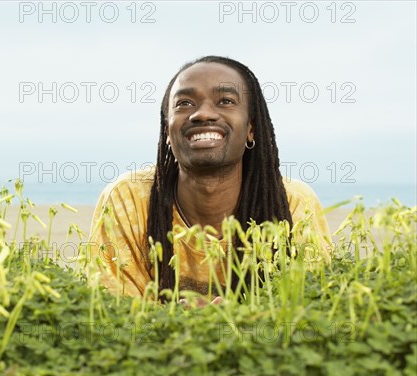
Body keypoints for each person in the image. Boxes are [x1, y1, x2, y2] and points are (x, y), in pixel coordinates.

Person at [87, 56, 332, 300]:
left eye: (225, 101)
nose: (203, 114)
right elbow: (116, 311)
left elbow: (307, 304)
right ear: (167, 131)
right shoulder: (128, 199)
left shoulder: (292, 203)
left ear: (251, 128)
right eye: (184, 103)